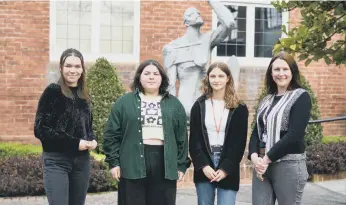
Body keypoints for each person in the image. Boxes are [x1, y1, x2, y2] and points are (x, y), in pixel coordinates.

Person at [103, 59, 189, 205]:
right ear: (139, 77)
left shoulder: (174, 104)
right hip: (131, 160)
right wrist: (114, 163)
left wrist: (181, 165)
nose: (151, 77)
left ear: (162, 78)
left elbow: (182, 137)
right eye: (147, 73)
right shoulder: (124, 102)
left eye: (156, 74)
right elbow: (111, 135)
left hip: (164, 161)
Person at [34, 48, 97, 205]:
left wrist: (92, 139)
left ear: (82, 69)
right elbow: (41, 129)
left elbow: (87, 128)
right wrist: (76, 143)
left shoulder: (84, 96)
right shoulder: (53, 92)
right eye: (68, 66)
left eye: (77, 66)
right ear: (61, 68)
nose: (73, 70)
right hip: (57, 161)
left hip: (81, 163)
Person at [248, 52, 311, 205]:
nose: (281, 74)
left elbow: (294, 135)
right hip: (262, 166)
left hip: (288, 165)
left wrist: (266, 159)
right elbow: (257, 132)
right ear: (271, 73)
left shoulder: (301, 97)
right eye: (276, 69)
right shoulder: (266, 100)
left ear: (292, 72)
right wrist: (255, 158)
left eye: (285, 69)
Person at [162, 0, 235, 117]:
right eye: (192, 13)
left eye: (198, 13)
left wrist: (212, 2)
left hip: (205, 104)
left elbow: (229, 23)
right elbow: (170, 85)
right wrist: (171, 111)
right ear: (185, 22)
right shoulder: (173, 47)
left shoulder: (207, 40)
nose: (198, 14)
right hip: (183, 105)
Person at [189, 62, 248, 205]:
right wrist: (203, 165)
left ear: (228, 78)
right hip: (205, 163)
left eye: (221, 76)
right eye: (213, 76)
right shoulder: (199, 105)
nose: (217, 80)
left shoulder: (239, 107)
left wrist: (226, 168)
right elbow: (194, 139)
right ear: (207, 78)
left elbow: (239, 142)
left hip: (228, 162)